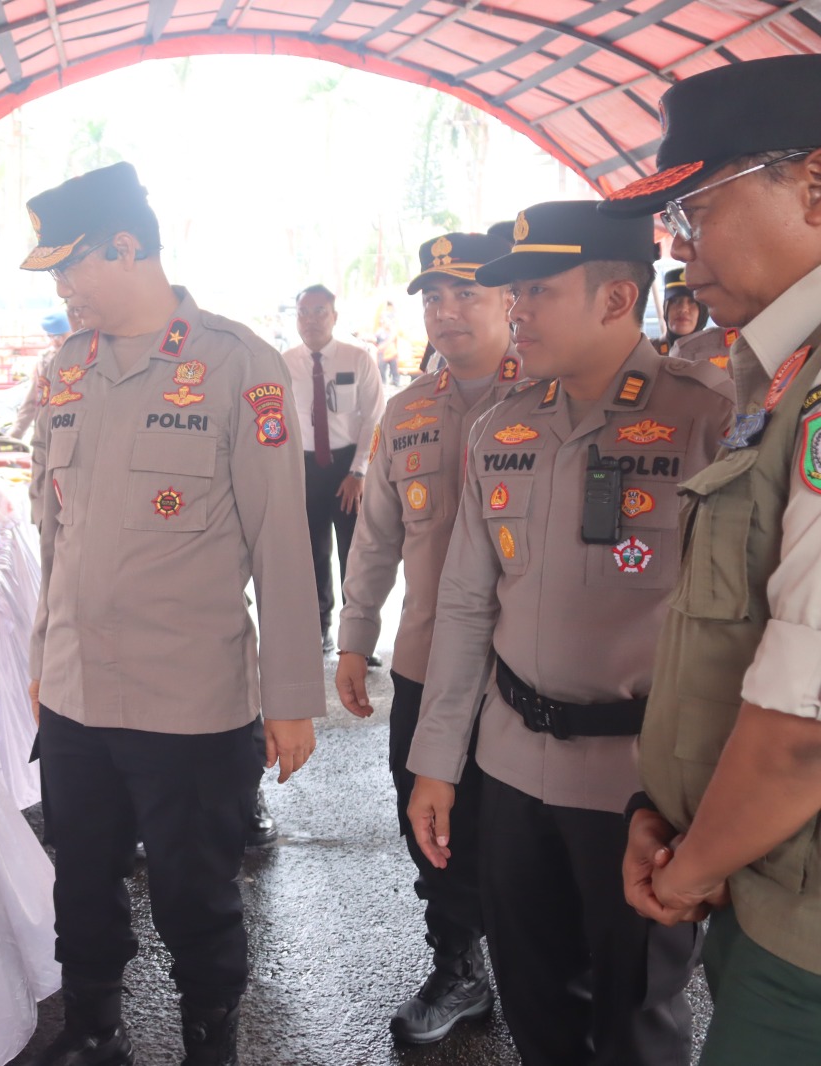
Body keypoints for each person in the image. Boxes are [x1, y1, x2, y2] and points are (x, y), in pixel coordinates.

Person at [406, 202, 733, 1066]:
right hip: (513, 773)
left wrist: (700, 796)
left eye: (539, 291)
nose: (516, 309)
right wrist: (438, 759)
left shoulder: (710, 421)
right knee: (535, 1007)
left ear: (617, 296)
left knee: (637, 1018)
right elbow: (468, 606)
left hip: (640, 785)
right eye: (513, 291)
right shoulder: (501, 425)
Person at [23, 161, 324, 1066]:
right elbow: (54, 533)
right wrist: (44, 658)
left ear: (125, 246)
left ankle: (210, 1041)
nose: (63, 287)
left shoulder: (239, 366)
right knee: (80, 882)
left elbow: (282, 542)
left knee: (196, 895)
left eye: (69, 266)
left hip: (190, 702)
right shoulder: (65, 371)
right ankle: (93, 1030)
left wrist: (291, 696)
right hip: (78, 695)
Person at [599, 54, 821, 1066]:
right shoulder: (779, 379)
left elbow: (800, 731)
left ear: (813, 183)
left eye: (695, 211)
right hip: (757, 879)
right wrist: (671, 814)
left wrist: (688, 867)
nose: (679, 254)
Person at [335, 231, 518, 1044]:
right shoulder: (406, 412)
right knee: (432, 824)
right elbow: (374, 538)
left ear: (511, 299)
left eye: (465, 295)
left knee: (524, 830)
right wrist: (352, 638)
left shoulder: (550, 398)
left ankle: (542, 962)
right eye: (433, 298)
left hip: (525, 672)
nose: (446, 313)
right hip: (423, 660)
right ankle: (458, 968)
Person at [281, 284, 384, 654]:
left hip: (347, 466)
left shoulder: (357, 359)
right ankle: (319, 629)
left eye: (319, 311)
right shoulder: (284, 363)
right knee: (311, 553)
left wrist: (358, 472)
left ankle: (357, 639)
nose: (310, 320)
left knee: (355, 556)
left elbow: (374, 418)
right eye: (303, 312)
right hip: (304, 468)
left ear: (334, 316)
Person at [656, 267, 733, 367]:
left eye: (692, 302)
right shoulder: (647, 352)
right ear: (666, 308)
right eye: (675, 301)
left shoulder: (724, 352)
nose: (683, 308)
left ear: (703, 311)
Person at [13, 310, 71, 442]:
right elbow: (33, 400)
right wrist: (14, 435)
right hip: (47, 433)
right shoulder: (45, 360)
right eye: (51, 337)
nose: (56, 341)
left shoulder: (86, 358)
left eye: (60, 336)